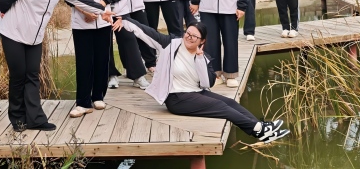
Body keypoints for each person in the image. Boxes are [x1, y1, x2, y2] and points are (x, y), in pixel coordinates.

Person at [0, 0, 119, 131]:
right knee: (19, 76)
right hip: (13, 33)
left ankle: (36, 119)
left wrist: (101, 11)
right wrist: (7, 13)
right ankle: (18, 119)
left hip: (35, 37)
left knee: (33, 76)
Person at [120, 18, 291, 144]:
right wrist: (123, 20)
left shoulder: (205, 58)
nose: (189, 37)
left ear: (202, 41)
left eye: (194, 36)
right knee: (221, 107)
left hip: (195, 93)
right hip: (176, 98)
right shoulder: (170, 44)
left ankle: (260, 129)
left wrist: (200, 59)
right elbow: (144, 31)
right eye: (188, 33)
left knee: (230, 103)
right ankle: (261, 130)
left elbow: (207, 84)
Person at [64, 0, 124, 118]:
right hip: (81, 24)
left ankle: (98, 96)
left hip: (102, 22)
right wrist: (85, 11)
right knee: (84, 62)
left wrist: (97, 9)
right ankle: (83, 102)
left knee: (102, 60)